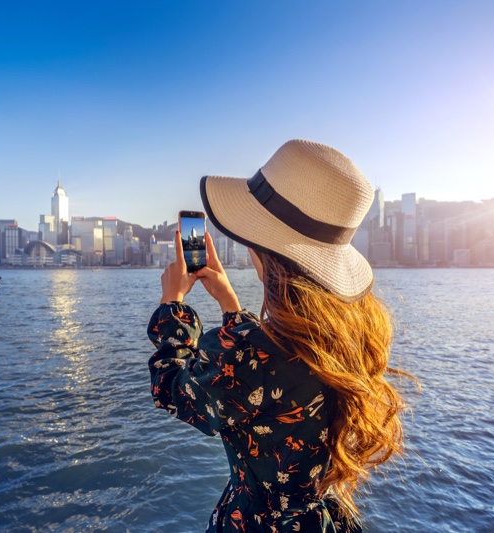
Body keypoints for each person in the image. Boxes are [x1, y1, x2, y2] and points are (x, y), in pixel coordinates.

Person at [147, 139, 416, 532]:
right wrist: (228, 303)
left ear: (265, 251)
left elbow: (174, 390)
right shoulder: (343, 337)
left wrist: (173, 306)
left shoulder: (255, 356)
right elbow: (264, 364)